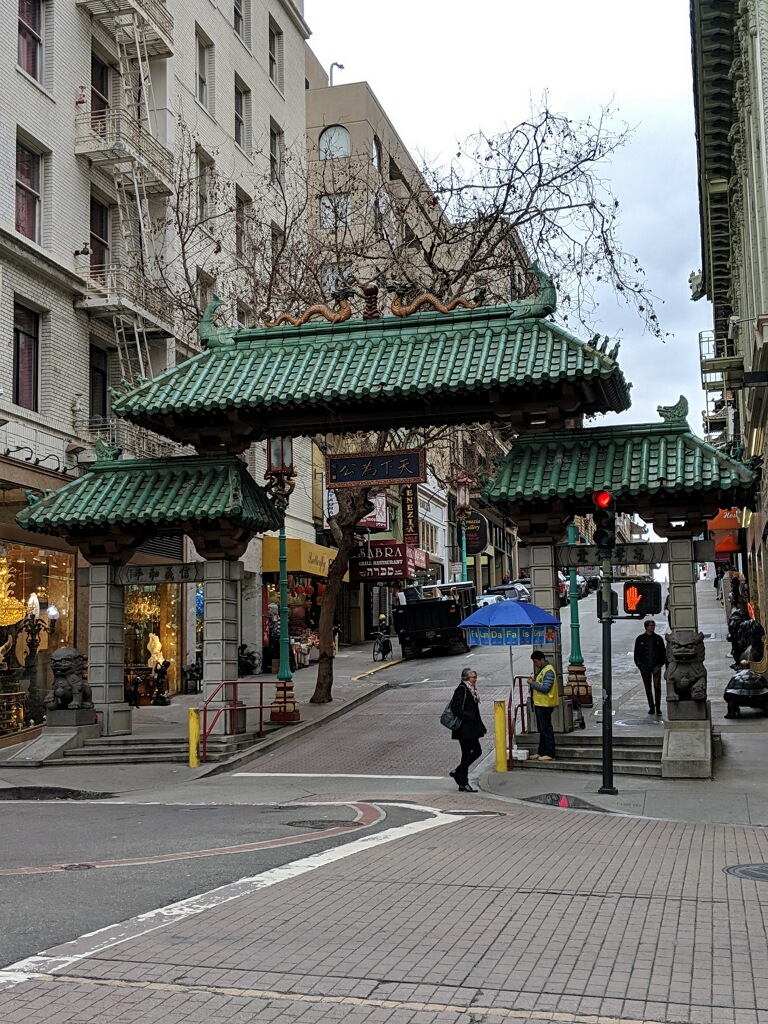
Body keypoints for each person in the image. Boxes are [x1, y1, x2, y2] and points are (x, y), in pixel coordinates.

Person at [448, 667, 487, 792]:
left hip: (472, 728)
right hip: (464, 729)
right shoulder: (462, 689)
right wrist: (468, 717)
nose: (475, 680)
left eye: (476, 677)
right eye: (473, 677)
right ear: (466, 678)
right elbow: (456, 707)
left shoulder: (471, 690)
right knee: (466, 754)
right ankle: (463, 782)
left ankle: (458, 772)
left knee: (477, 751)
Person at [528, 651, 559, 760]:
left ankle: (550, 753)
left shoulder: (548, 671)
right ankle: (541, 752)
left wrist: (532, 683)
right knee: (542, 729)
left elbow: (546, 688)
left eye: (536, 662)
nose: (535, 664)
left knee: (546, 729)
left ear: (542, 660)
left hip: (545, 704)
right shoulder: (542, 670)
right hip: (540, 704)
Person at [633, 619, 666, 716]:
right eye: (651, 625)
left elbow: (663, 652)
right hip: (644, 666)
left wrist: (660, 664)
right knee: (648, 688)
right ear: (646, 627)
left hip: (656, 665)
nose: (653, 627)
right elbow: (637, 652)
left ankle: (658, 707)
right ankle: (651, 706)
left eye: (653, 625)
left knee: (657, 687)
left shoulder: (658, 639)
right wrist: (639, 664)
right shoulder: (640, 639)